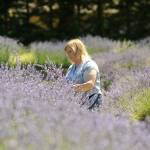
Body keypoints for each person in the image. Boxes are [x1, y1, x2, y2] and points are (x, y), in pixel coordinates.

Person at [64, 38, 102, 110]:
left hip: (92, 100)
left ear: (78, 50)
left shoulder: (89, 64)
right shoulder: (71, 67)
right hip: (77, 102)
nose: (68, 55)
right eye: (67, 52)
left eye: (70, 51)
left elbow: (90, 84)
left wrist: (74, 88)